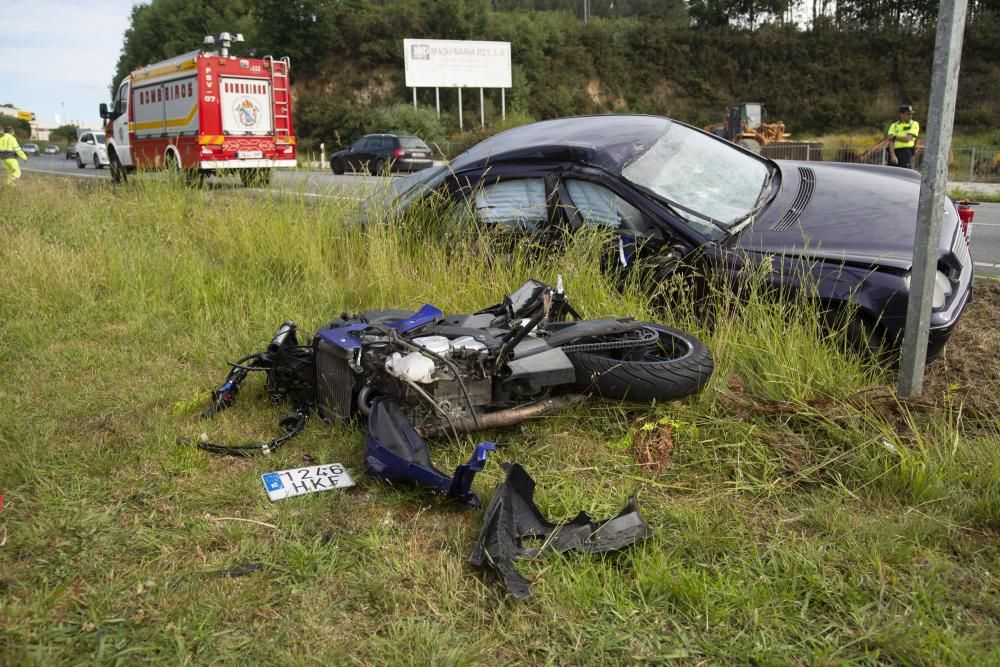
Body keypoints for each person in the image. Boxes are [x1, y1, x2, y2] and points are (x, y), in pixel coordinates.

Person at [886, 105, 920, 169]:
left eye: (911, 114)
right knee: (890, 173)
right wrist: (893, 155)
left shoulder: (914, 124)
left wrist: (895, 137)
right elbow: (890, 140)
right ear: (901, 114)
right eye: (908, 114)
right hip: (894, 151)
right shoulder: (894, 125)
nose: (910, 116)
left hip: (906, 152)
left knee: (905, 173)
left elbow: (908, 138)